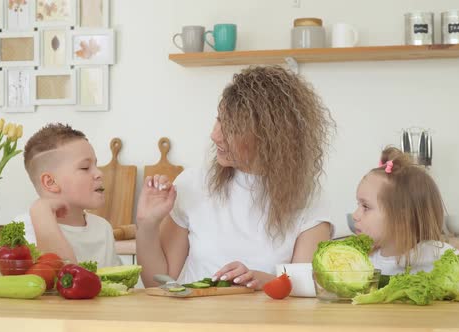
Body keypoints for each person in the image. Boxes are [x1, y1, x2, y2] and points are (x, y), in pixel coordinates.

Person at [136, 65, 336, 289]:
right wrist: (147, 225)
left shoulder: (309, 199)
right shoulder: (192, 184)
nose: (215, 135)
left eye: (231, 128)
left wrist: (264, 281)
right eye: (219, 120)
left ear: (270, 138)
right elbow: (159, 282)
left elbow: (306, 289)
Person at [352, 147, 459, 291]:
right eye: (358, 205)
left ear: (402, 216)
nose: (355, 215)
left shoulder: (437, 254)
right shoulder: (362, 260)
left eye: (365, 207)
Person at [14, 123, 121, 267]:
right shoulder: (25, 228)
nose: (99, 173)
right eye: (85, 167)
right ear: (50, 182)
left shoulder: (103, 228)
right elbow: (62, 278)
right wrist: (41, 211)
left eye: (96, 165)